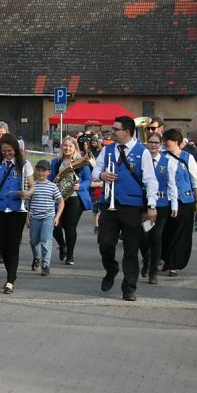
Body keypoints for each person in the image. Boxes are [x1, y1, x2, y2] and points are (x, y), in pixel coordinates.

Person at [92, 116, 158, 301]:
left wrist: (151, 206)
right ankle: (111, 269)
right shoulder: (107, 149)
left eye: (115, 129)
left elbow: (150, 180)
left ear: (127, 131)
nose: (112, 132)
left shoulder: (142, 152)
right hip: (109, 203)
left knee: (131, 249)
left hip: (132, 206)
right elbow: (95, 171)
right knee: (105, 243)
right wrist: (102, 174)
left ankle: (129, 287)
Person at [0, 133, 35, 294]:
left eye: (10, 151)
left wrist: (27, 193)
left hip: (17, 210)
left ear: (16, 150)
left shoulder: (25, 164)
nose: (7, 153)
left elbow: (32, 186)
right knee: (3, 244)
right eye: (4, 151)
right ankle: (10, 272)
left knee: (13, 244)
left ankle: (10, 279)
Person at [159, 129, 197, 277]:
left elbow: (195, 180)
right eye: (164, 140)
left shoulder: (187, 157)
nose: (165, 143)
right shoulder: (162, 157)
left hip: (185, 200)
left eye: (168, 140)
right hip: (167, 200)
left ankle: (174, 264)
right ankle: (166, 258)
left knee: (181, 233)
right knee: (167, 232)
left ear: (176, 141)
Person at [138, 131, 176, 285]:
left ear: (161, 145)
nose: (153, 145)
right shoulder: (142, 160)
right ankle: (146, 260)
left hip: (161, 205)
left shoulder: (168, 162)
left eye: (156, 142)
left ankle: (154, 271)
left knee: (156, 237)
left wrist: (174, 204)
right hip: (143, 204)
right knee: (143, 237)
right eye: (151, 142)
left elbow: (172, 184)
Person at [48, 135, 92, 266]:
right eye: (65, 146)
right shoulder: (56, 162)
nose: (67, 148)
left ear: (74, 148)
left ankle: (70, 255)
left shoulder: (81, 162)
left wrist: (81, 186)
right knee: (54, 225)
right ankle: (62, 246)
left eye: (70, 146)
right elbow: (51, 178)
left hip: (74, 198)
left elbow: (88, 180)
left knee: (70, 227)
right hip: (58, 198)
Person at [27, 160, 64, 277]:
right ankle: (37, 257)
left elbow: (61, 202)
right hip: (34, 216)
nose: (41, 173)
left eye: (44, 171)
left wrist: (57, 217)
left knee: (46, 240)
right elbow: (27, 203)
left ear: (49, 172)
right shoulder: (32, 185)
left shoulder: (53, 186)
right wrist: (26, 217)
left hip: (48, 216)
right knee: (34, 241)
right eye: (39, 170)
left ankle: (45, 264)